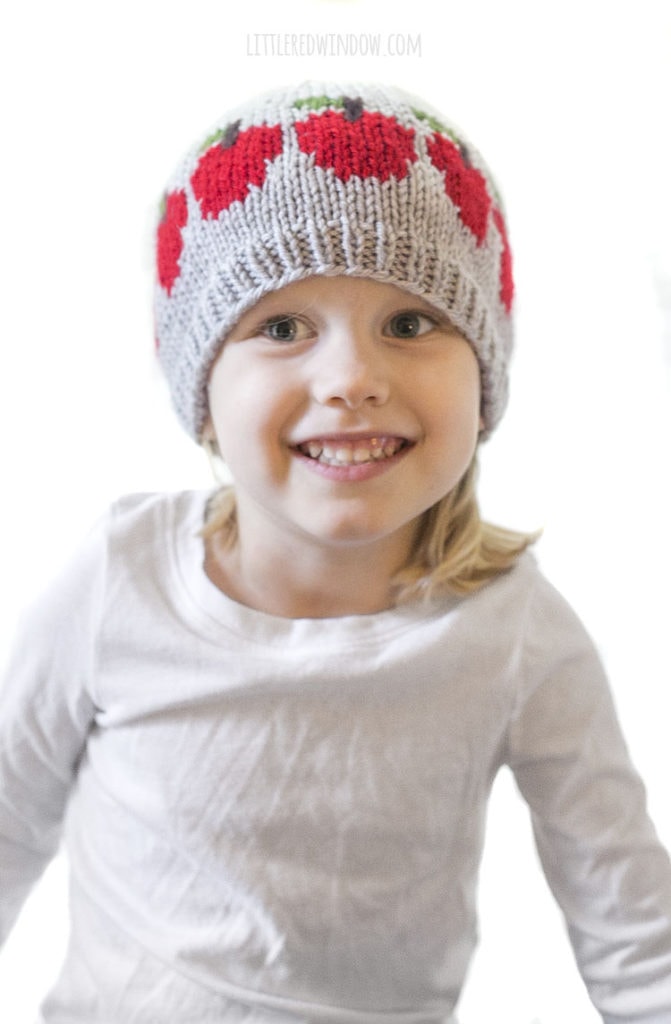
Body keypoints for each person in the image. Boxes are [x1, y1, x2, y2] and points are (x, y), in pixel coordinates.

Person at [1, 81, 670, 1023]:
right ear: (202, 389)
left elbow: (634, 932)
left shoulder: (513, 627)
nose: (351, 378)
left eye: (409, 323)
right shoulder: (124, 580)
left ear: (483, 376)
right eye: (280, 328)